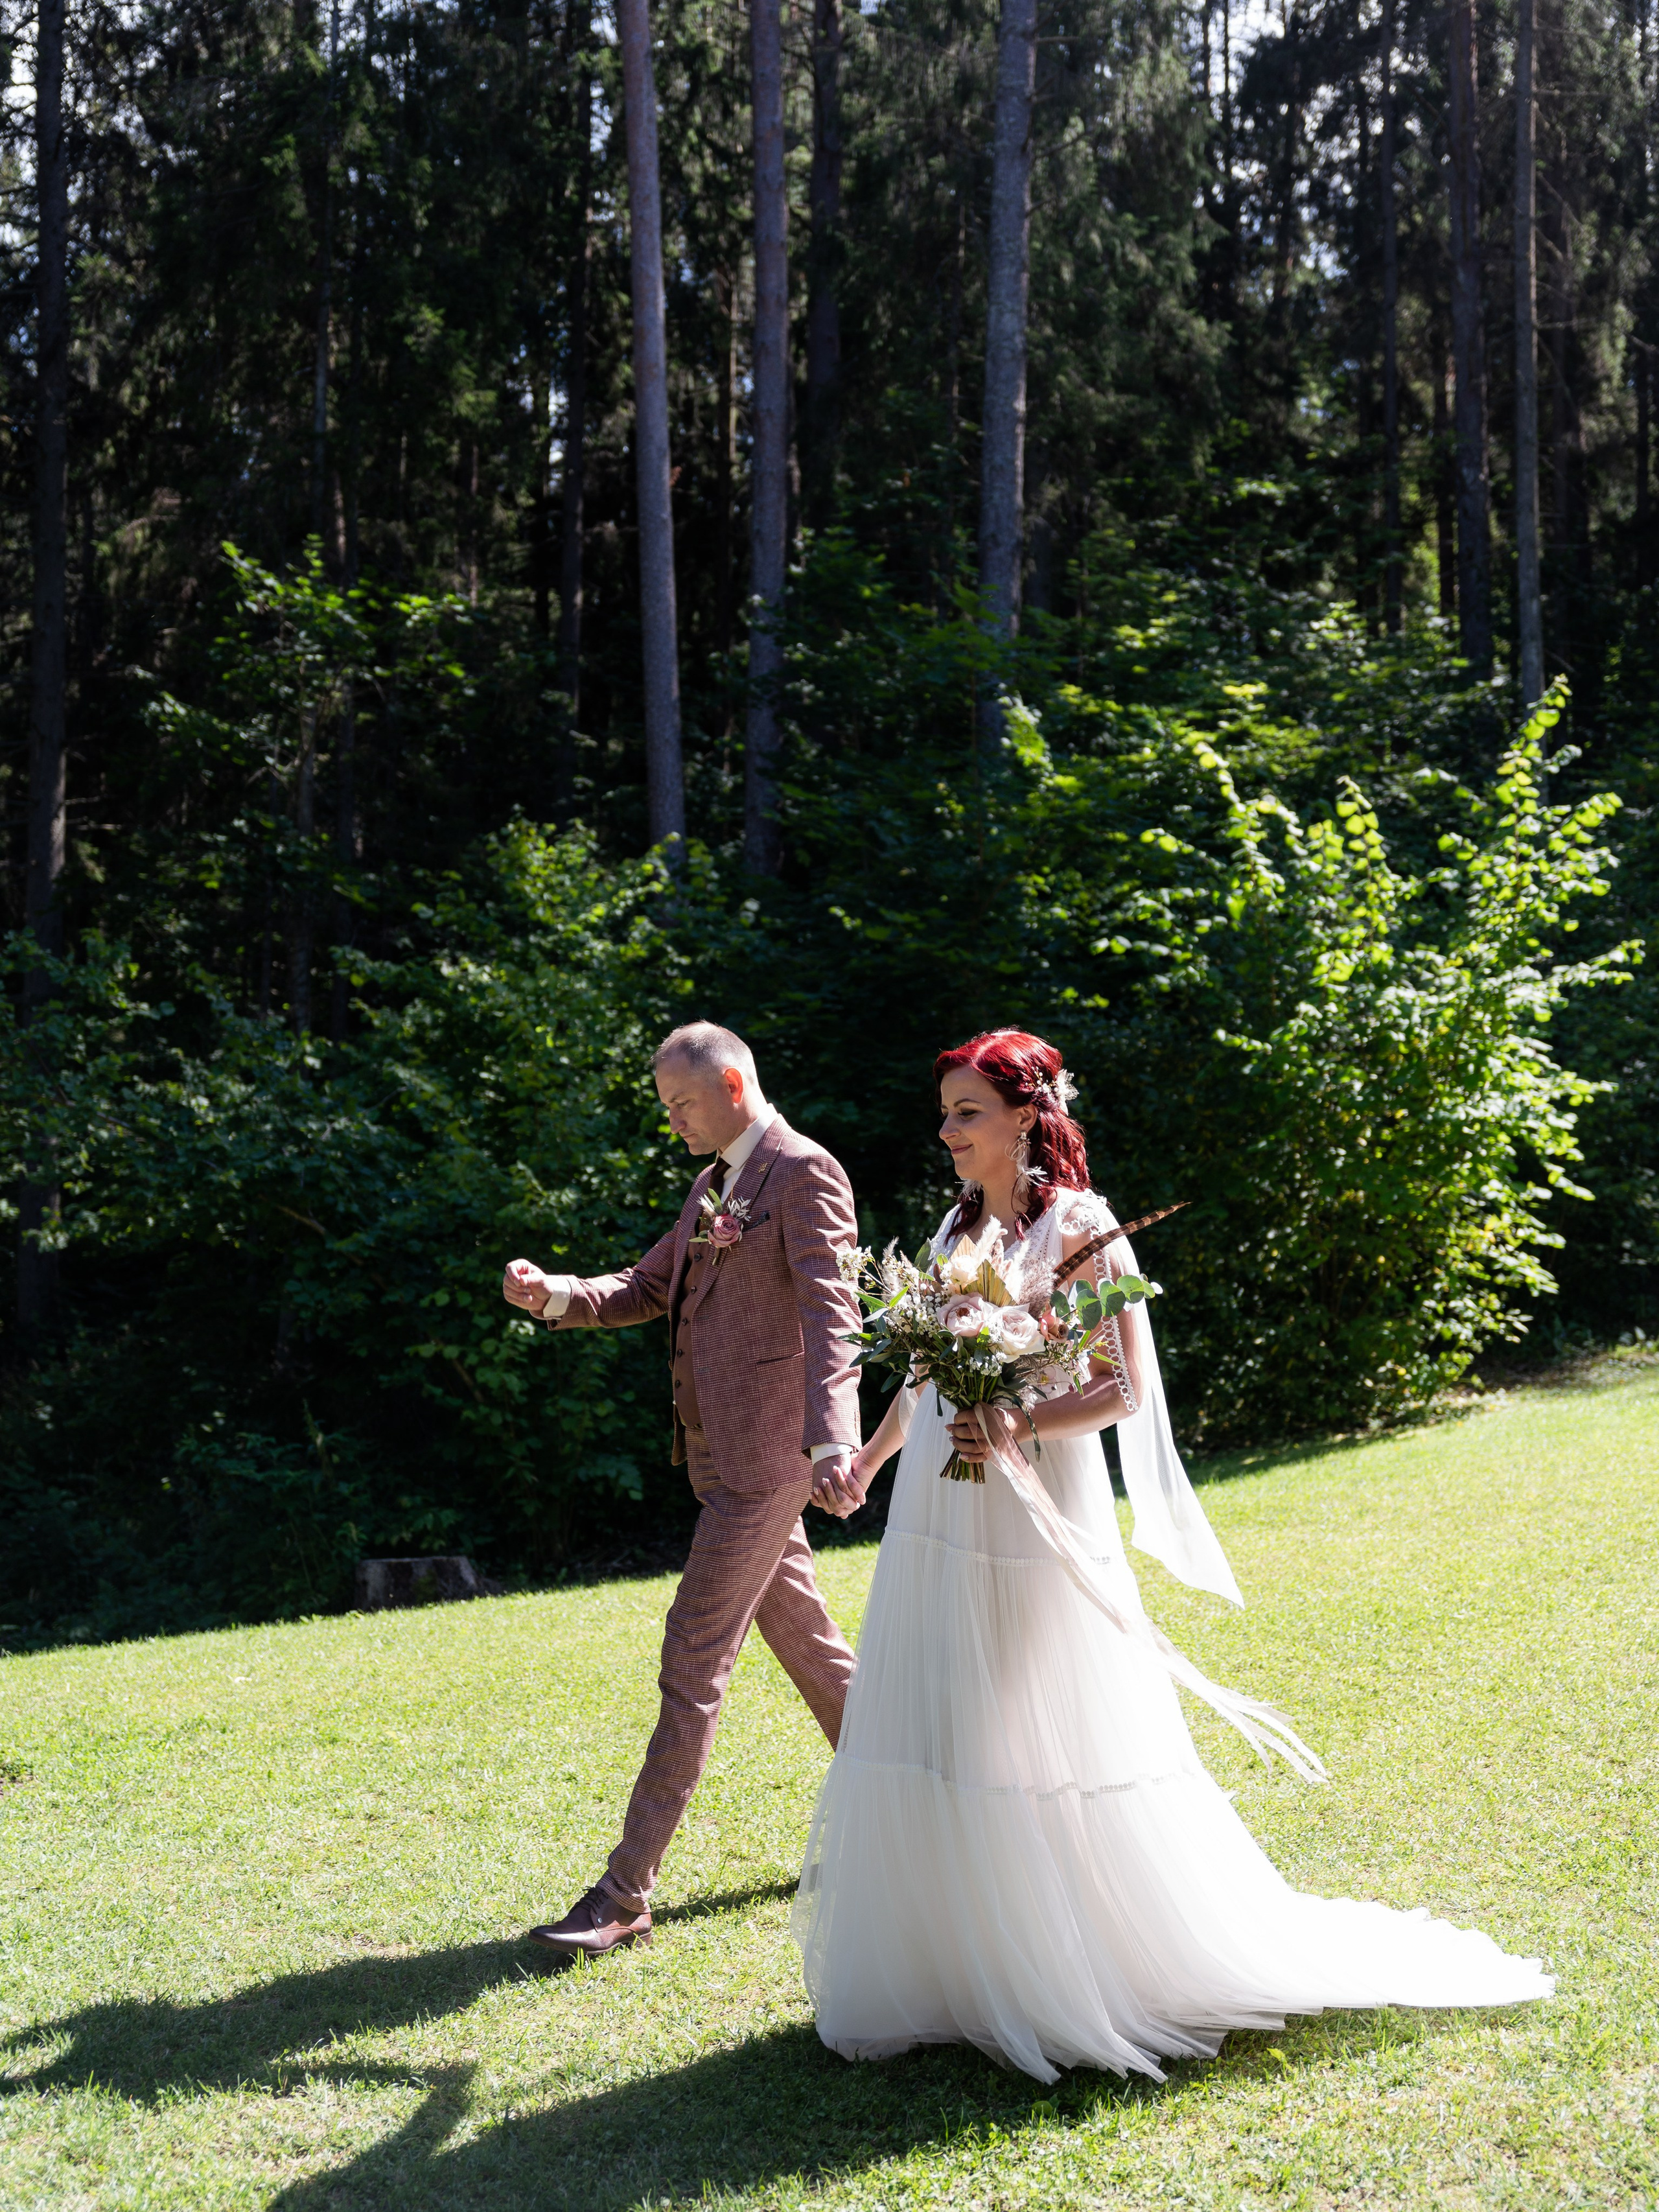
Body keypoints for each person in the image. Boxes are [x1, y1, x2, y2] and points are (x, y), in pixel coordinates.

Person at [792, 1027, 1552, 2084]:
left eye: (967, 1111)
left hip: (1030, 1505)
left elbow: (1120, 1385)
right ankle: (948, 1971)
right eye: (947, 1112)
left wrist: (1017, 1421)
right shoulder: (955, 1223)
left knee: (1026, 1729)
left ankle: (1066, 1966)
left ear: (1025, 1115)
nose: (948, 1130)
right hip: (938, 1508)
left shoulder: (1086, 1228)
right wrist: (874, 1461)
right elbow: (923, 1375)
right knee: (939, 1720)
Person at [503, 1020, 867, 1959]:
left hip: (770, 1467)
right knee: (819, 1656)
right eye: (667, 1106)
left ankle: (624, 1893)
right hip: (720, 1462)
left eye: (682, 1103)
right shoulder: (713, 1186)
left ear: (735, 1086)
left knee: (691, 1662)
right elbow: (645, 1285)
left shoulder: (804, 1172)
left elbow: (836, 1310)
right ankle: (927, 1812)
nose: (672, 1121)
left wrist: (836, 1437)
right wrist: (553, 1292)